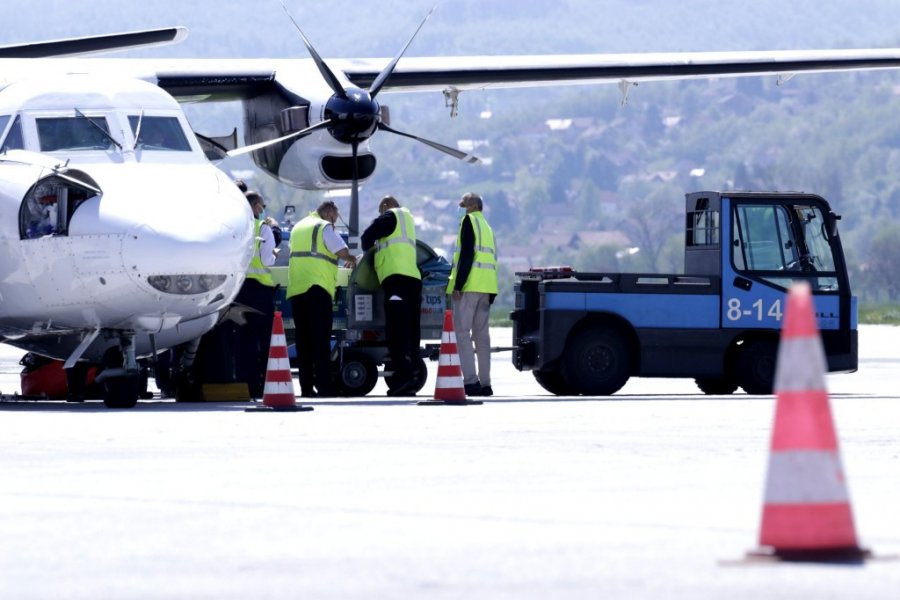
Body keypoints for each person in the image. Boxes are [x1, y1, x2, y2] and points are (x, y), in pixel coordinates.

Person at [288, 200, 357, 397]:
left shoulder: (298, 227)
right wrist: (352, 259)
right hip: (317, 290)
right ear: (329, 212)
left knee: (304, 343)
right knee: (320, 342)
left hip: (297, 290)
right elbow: (341, 251)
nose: (334, 223)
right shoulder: (323, 227)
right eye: (335, 218)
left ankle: (307, 388)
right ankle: (325, 387)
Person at [361, 195, 423, 396]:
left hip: (396, 280)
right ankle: (412, 375)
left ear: (387, 206)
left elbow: (366, 237)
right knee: (411, 331)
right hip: (413, 280)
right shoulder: (409, 220)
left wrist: (368, 258)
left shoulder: (390, 216)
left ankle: (404, 377)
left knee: (397, 331)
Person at [447, 192, 498, 396]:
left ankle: (470, 382)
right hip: (486, 287)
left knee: (462, 334)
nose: (461, 206)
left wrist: (458, 284)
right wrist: (492, 291)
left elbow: (467, 254)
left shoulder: (469, 221)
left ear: (475, 206)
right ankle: (486, 384)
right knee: (482, 338)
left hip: (469, 287)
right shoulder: (487, 227)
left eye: (464, 203)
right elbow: (493, 260)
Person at [235, 190, 278, 397]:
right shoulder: (263, 228)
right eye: (261, 206)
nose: (262, 210)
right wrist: (275, 253)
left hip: (239, 291)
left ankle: (245, 383)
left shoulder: (236, 228)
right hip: (260, 292)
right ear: (253, 207)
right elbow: (268, 260)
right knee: (264, 341)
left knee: (244, 341)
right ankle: (262, 385)